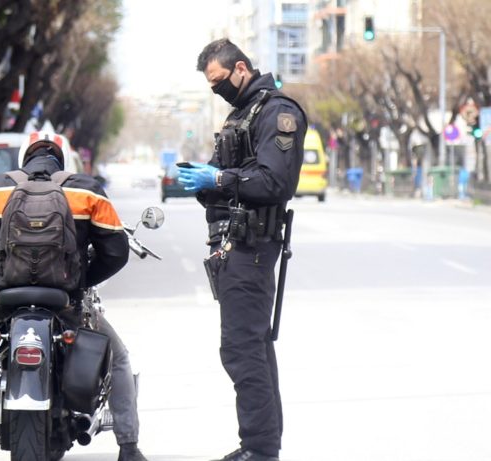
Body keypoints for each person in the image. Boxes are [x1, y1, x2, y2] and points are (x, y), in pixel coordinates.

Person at [0, 131, 148, 461]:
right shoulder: (87, 191)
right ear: (63, 158)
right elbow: (115, 253)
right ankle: (129, 447)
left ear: (23, 158)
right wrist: (79, 283)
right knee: (118, 358)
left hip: (5, 301)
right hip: (67, 301)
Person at [178, 39, 307, 461]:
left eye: (219, 81)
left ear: (240, 68)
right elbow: (225, 178)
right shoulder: (241, 114)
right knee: (253, 346)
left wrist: (219, 180)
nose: (217, 90)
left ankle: (260, 448)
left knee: (242, 348)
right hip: (232, 244)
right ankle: (261, 445)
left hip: (253, 246)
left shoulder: (278, 112)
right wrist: (204, 180)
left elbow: (275, 183)